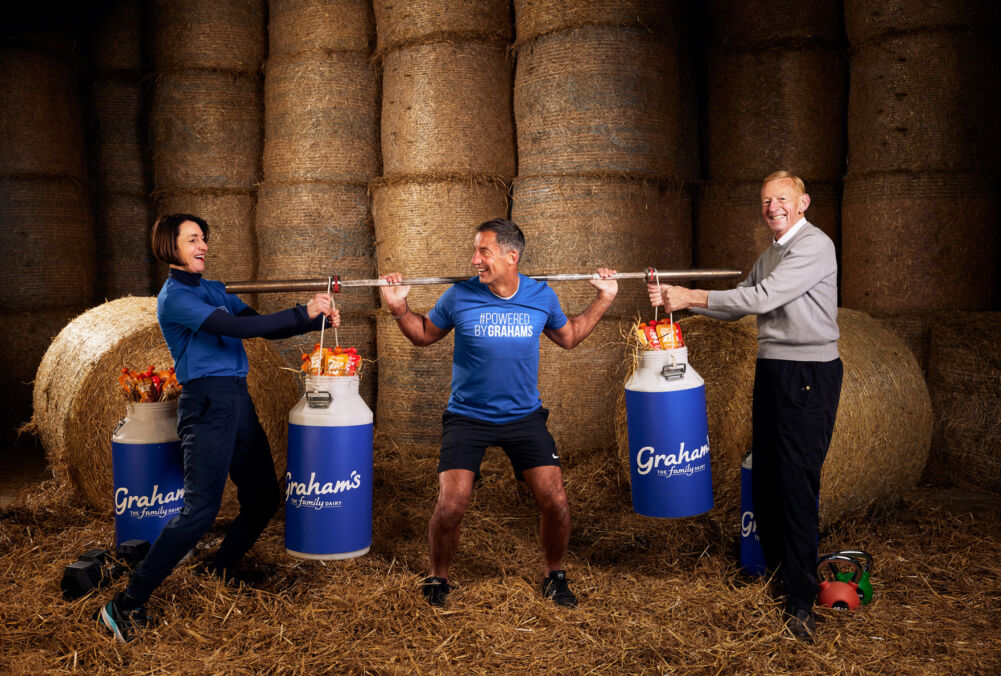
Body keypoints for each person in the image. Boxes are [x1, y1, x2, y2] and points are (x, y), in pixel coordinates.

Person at [97, 213, 341, 643]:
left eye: (204, 238)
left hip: (236, 398)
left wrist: (311, 318)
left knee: (264, 496)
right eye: (193, 239)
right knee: (199, 512)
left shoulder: (213, 289)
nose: (203, 245)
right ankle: (124, 605)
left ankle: (221, 567)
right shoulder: (174, 298)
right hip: (207, 403)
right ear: (170, 247)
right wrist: (301, 309)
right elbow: (236, 327)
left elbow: (260, 324)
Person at [380, 218, 617, 608]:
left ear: (512, 256)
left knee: (556, 501)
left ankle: (554, 575)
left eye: (483, 252)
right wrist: (399, 308)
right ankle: (439, 578)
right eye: (474, 251)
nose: (474, 259)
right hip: (467, 416)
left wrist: (604, 299)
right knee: (452, 504)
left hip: (523, 417)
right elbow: (423, 334)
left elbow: (570, 337)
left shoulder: (541, 296)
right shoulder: (459, 296)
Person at [648, 171, 842, 642]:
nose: (772, 206)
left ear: (803, 203)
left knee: (796, 484)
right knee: (770, 477)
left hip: (807, 376)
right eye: (765, 200)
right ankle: (779, 577)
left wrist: (693, 293)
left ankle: (800, 601)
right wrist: (682, 304)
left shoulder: (815, 246)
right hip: (774, 371)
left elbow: (763, 297)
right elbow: (738, 307)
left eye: (781, 199)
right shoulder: (771, 254)